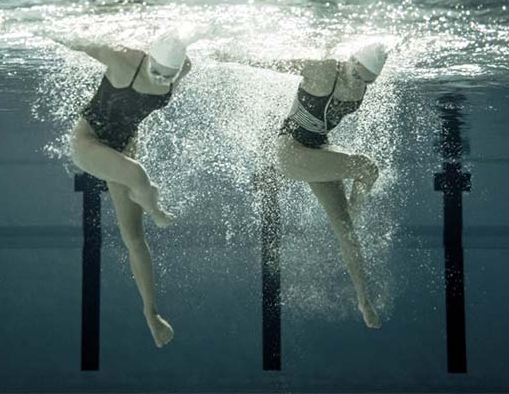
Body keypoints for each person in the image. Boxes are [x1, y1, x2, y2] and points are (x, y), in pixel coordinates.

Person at [220, 39, 392, 329]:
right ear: (351, 60)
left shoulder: (362, 82)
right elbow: (274, 62)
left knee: (346, 230)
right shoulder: (324, 70)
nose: (361, 82)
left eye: (368, 81)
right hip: (291, 152)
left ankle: (363, 300)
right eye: (359, 74)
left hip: (319, 149)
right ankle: (352, 207)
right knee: (367, 167)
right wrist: (229, 55)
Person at [56, 28, 192, 348]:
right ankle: (155, 207)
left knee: (134, 237)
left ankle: (151, 314)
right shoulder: (122, 60)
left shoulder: (182, 67)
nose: (161, 79)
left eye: (166, 76)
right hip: (88, 143)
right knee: (139, 177)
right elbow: (76, 38)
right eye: (156, 71)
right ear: (148, 58)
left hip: (124, 149)